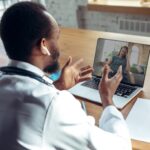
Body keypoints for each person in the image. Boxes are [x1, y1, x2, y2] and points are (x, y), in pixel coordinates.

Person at [0, 2, 131, 150]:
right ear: (43, 45)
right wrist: (107, 98)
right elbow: (121, 146)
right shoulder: (53, 105)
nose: (59, 46)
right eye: (56, 38)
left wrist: (57, 86)